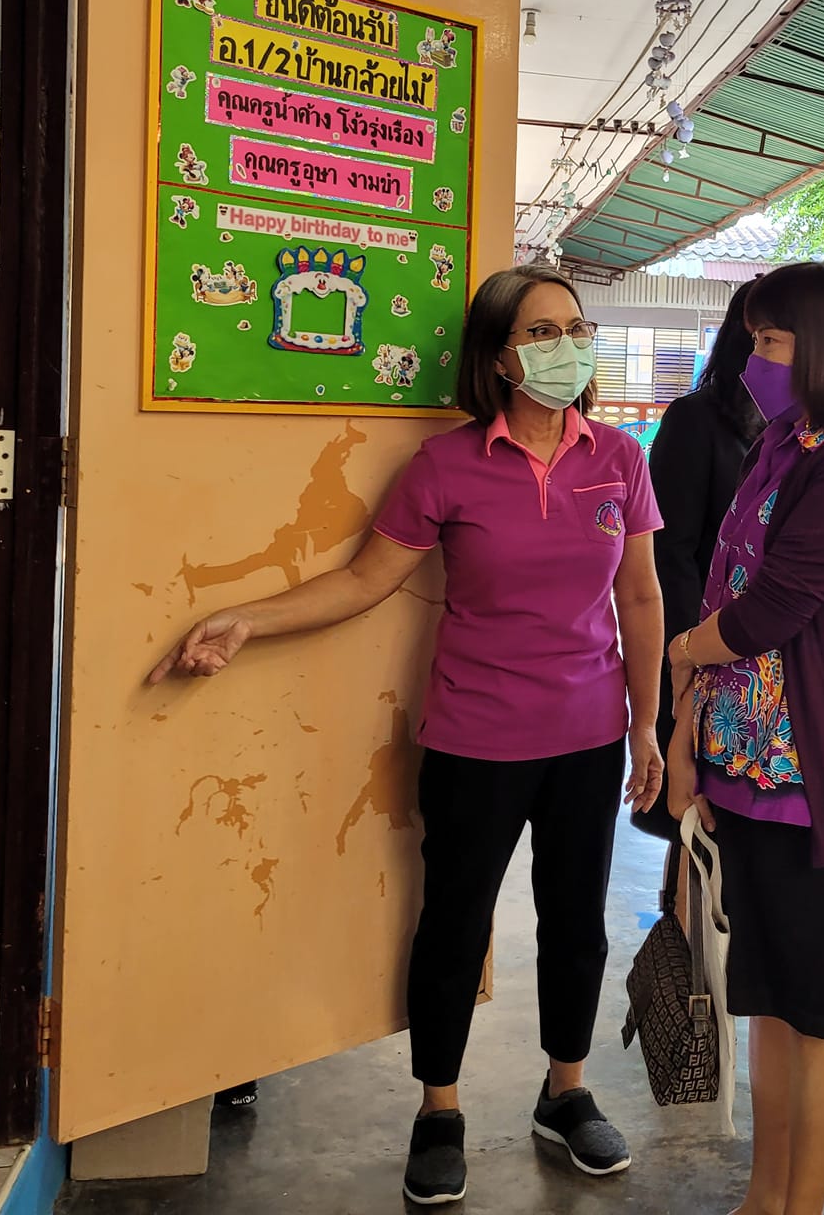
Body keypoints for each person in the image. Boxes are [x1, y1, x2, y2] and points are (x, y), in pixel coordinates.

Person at [148, 265, 665, 1209]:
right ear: (499, 358)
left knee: (576, 922)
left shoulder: (620, 459)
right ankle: (439, 1109)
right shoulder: (446, 466)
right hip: (475, 738)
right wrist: (248, 619)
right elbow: (361, 581)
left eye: (577, 328)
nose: (568, 347)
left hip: (588, 735)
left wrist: (646, 727)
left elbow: (639, 594)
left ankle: (566, 1091)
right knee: (455, 924)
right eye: (543, 332)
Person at [664, 262, 824, 1215]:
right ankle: (763, 1198)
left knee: (818, 1014)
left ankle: (801, 1206)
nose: (753, 359)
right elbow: (724, 583)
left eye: (770, 341)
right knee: (764, 1001)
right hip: (740, 765)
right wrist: (687, 734)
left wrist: (684, 651)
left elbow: (769, 609)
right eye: (754, 338)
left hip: (812, 778)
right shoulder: (782, 442)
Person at [635, 280, 764, 873]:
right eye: (770, 337)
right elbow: (671, 552)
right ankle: (682, 920)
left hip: (769, 657)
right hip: (703, 644)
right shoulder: (696, 419)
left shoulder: (810, 432)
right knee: (694, 813)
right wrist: (690, 652)